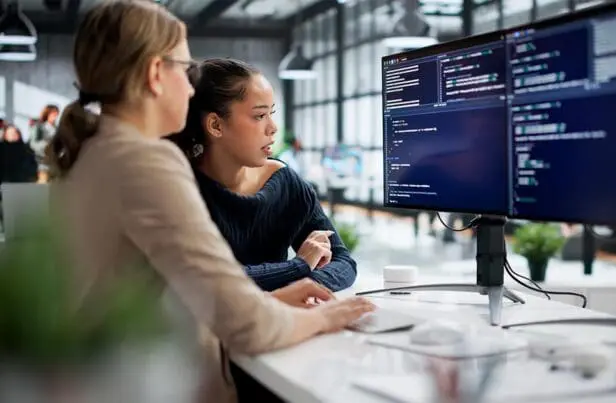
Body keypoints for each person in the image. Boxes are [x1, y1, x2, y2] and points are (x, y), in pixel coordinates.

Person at [43, 2, 374, 403]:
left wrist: (264, 298)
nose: (190, 85)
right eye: (184, 69)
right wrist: (325, 316)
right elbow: (245, 323)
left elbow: (179, 294)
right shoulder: (146, 162)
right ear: (154, 74)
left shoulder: (100, 152)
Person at [166, 58, 357, 293]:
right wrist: (299, 266)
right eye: (259, 116)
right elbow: (205, 280)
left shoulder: (286, 183)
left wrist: (305, 288)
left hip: (277, 323)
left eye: (272, 113)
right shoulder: (179, 190)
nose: (273, 128)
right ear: (215, 125)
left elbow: (343, 262)